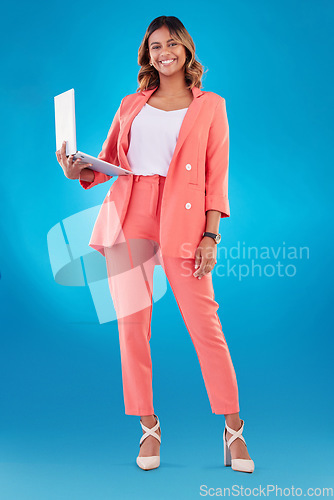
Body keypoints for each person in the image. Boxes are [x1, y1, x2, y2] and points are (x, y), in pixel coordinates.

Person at [55, 15, 254, 474]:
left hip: (183, 219)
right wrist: (73, 168)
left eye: (171, 44)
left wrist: (210, 234)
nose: (163, 51)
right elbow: (104, 163)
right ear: (148, 53)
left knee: (205, 325)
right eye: (155, 45)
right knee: (131, 326)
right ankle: (148, 426)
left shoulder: (211, 106)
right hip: (130, 211)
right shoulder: (130, 104)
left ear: (186, 49)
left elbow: (215, 176)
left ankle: (234, 429)